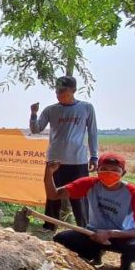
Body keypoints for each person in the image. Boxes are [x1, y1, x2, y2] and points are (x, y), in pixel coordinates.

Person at [43, 153, 135, 270]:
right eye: (104, 169)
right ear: (97, 171)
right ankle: (93, 255)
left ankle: (125, 266)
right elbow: (54, 195)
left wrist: (110, 233)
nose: (109, 173)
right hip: (93, 233)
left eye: (115, 170)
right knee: (61, 239)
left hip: (122, 236)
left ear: (123, 173)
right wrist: (49, 173)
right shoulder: (89, 184)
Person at [29, 75, 98, 229]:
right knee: (52, 195)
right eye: (57, 90)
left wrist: (94, 156)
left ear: (73, 90)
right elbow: (36, 129)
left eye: (63, 90)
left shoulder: (86, 108)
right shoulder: (50, 110)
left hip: (78, 161)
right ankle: (50, 226)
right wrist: (33, 113)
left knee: (79, 196)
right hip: (54, 161)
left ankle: (84, 227)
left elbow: (93, 132)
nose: (59, 93)